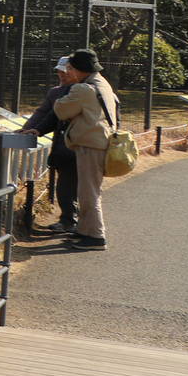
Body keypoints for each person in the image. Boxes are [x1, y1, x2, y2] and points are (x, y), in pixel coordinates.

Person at [53, 48, 121, 250]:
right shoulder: (102, 83)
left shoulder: (82, 89)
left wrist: (60, 97)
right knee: (88, 190)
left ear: (77, 68)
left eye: (70, 68)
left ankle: (95, 236)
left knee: (88, 192)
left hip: (90, 144)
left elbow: (61, 110)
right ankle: (84, 231)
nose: (68, 71)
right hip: (100, 141)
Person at [20, 56, 79, 234]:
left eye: (65, 71)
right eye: (59, 70)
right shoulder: (55, 92)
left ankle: (74, 222)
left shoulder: (83, 91)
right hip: (64, 148)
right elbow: (44, 113)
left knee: (73, 187)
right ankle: (71, 220)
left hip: (80, 145)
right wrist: (28, 129)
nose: (61, 74)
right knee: (66, 186)